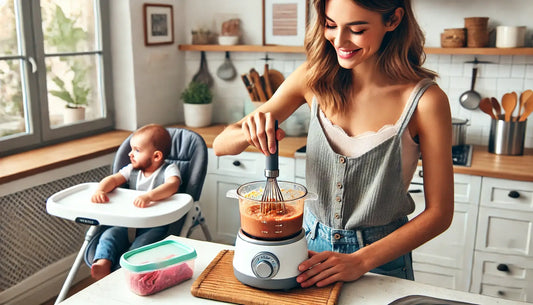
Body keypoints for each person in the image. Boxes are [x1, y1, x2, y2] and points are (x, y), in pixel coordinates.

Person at [213, 0, 453, 289]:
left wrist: (361, 261)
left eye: (357, 29)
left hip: (381, 264)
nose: (339, 41)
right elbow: (221, 145)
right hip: (308, 254)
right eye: (330, 25)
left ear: (393, 20)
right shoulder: (312, 78)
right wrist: (248, 131)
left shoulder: (426, 101)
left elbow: (440, 214)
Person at [90, 124, 181, 280]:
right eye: (131, 149)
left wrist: (150, 196)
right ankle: (103, 262)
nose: (130, 154)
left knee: (141, 248)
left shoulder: (169, 169)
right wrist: (101, 190)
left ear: (156, 156)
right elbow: (113, 179)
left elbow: (173, 185)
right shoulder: (131, 169)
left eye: (137, 150)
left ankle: (123, 271)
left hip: (153, 225)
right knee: (109, 235)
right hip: (127, 222)